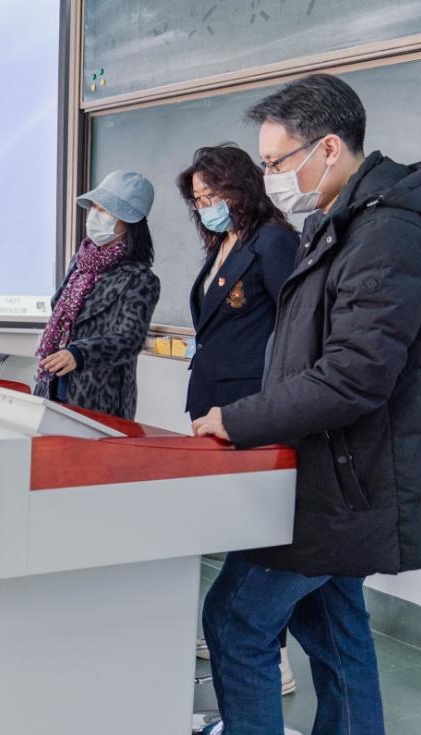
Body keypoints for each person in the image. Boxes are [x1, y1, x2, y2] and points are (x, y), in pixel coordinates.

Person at [193, 74, 421, 735]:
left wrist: (240, 418)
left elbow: (354, 374)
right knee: (333, 627)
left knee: (237, 617)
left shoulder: (385, 230)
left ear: (327, 147)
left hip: (349, 480)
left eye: (276, 162)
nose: (270, 178)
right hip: (336, 470)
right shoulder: (342, 220)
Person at [175, 145, 299, 693]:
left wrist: (267, 404)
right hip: (211, 401)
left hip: (251, 407)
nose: (206, 206)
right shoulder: (222, 244)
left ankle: (273, 655)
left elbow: (294, 328)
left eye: (214, 195)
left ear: (242, 187)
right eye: (199, 199)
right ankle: (241, 637)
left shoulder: (273, 242)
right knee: (233, 522)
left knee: (259, 528)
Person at [33, 169, 159, 420]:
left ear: (129, 221)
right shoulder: (80, 262)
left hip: (99, 398)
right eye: (94, 207)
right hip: (53, 386)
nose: (94, 215)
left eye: (105, 211)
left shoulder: (139, 278)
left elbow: (129, 339)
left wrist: (79, 353)